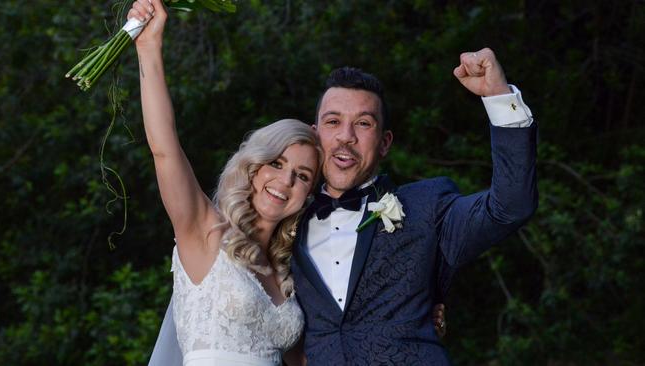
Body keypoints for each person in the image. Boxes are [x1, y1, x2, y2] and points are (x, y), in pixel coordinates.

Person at [290, 49, 537, 365]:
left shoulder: (427, 206)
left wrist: (499, 96)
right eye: (333, 121)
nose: (346, 137)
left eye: (363, 123)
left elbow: (510, 206)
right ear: (315, 135)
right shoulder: (286, 221)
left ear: (385, 142)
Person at [128, 1, 322, 365]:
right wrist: (149, 47)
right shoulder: (205, 231)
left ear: (308, 194)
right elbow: (165, 149)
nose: (285, 180)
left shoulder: (288, 274)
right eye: (277, 163)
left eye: (303, 175)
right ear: (254, 167)